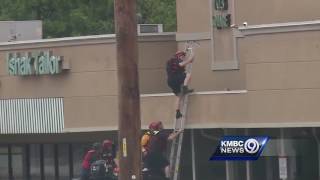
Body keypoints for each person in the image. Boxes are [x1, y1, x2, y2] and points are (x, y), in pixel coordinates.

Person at [166, 48, 195, 119]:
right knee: (188, 75)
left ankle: (177, 112)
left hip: (170, 81)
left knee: (179, 96)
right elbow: (182, 64)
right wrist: (192, 54)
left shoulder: (173, 61)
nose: (183, 57)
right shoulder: (174, 60)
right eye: (182, 56)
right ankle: (185, 88)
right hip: (174, 78)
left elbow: (187, 62)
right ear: (178, 56)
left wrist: (191, 58)